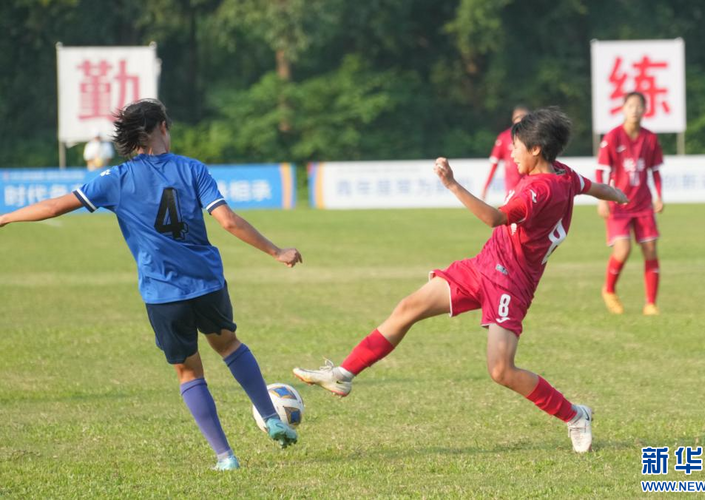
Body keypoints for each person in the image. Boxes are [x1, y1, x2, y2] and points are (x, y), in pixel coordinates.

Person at [293, 107, 629, 453]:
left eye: (516, 146)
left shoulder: (537, 191)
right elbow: (593, 186)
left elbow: (495, 218)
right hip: (483, 265)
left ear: (536, 149)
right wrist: (616, 194)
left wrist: (452, 184)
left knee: (501, 370)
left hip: (511, 284)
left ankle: (575, 415)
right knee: (409, 307)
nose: (510, 153)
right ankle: (344, 375)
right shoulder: (564, 175)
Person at [0, 98, 302, 471]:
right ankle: (271, 418)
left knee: (189, 372)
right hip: (207, 282)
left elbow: (55, 207)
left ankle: (226, 457)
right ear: (161, 127)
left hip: (163, 294)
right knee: (229, 345)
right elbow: (229, 221)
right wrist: (276, 251)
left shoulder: (116, 179)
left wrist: (6, 217)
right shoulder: (192, 169)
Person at [596, 91, 664, 316]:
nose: (634, 109)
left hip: (643, 204)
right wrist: (602, 199)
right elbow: (602, 170)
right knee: (623, 249)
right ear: (623, 109)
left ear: (645, 110)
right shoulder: (613, 137)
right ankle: (608, 289)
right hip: (618, 204)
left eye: (638, 106)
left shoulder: (650, 138)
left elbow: (654, 170)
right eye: (630, 105)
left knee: (650, 249)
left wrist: (659, 195)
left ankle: (651, 303)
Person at [481, 105, 530, 200]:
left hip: (531, 184)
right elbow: (494, 164)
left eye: (523, 117)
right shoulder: (504, 137)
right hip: (512, 187)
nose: (520, 120)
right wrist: (486, 186)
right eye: (518, 117)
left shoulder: (534, 137)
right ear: (513, 118)